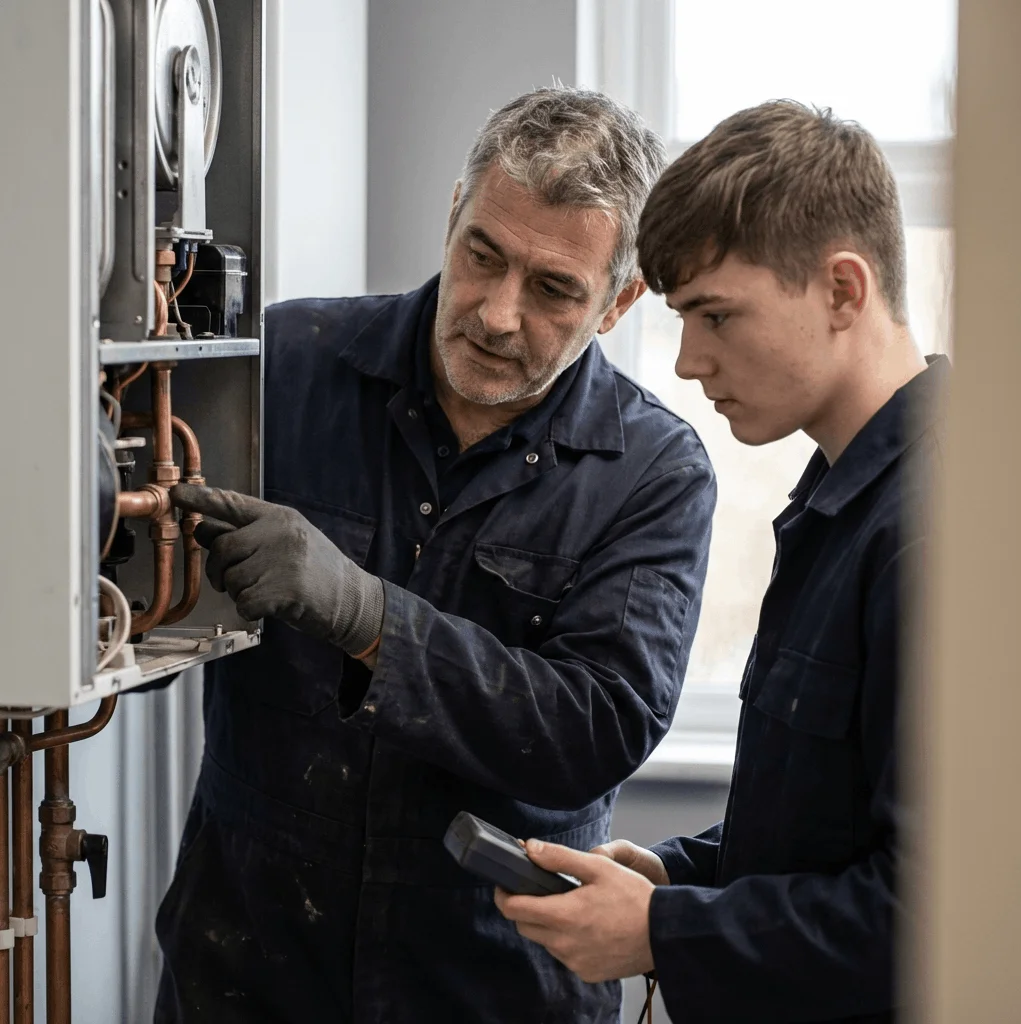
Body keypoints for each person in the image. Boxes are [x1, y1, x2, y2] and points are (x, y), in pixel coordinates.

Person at [155, 87, 716, 1024]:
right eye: (482, 256)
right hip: (245, 968)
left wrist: (363, 613)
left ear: (618, 302)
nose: (497, 315)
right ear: (454, 213)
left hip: (490, 986)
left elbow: (596, 727)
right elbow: (132, 608)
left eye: (552, 290)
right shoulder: (285, 364)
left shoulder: (655, 473)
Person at [496, 100, 948, 1023]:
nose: (690, 362)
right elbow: (827, 831)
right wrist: (674, 877)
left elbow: (934, 919)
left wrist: (665, 931)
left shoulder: (941, 534)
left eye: (716, 315)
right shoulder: (839, 505)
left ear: (843, 291)